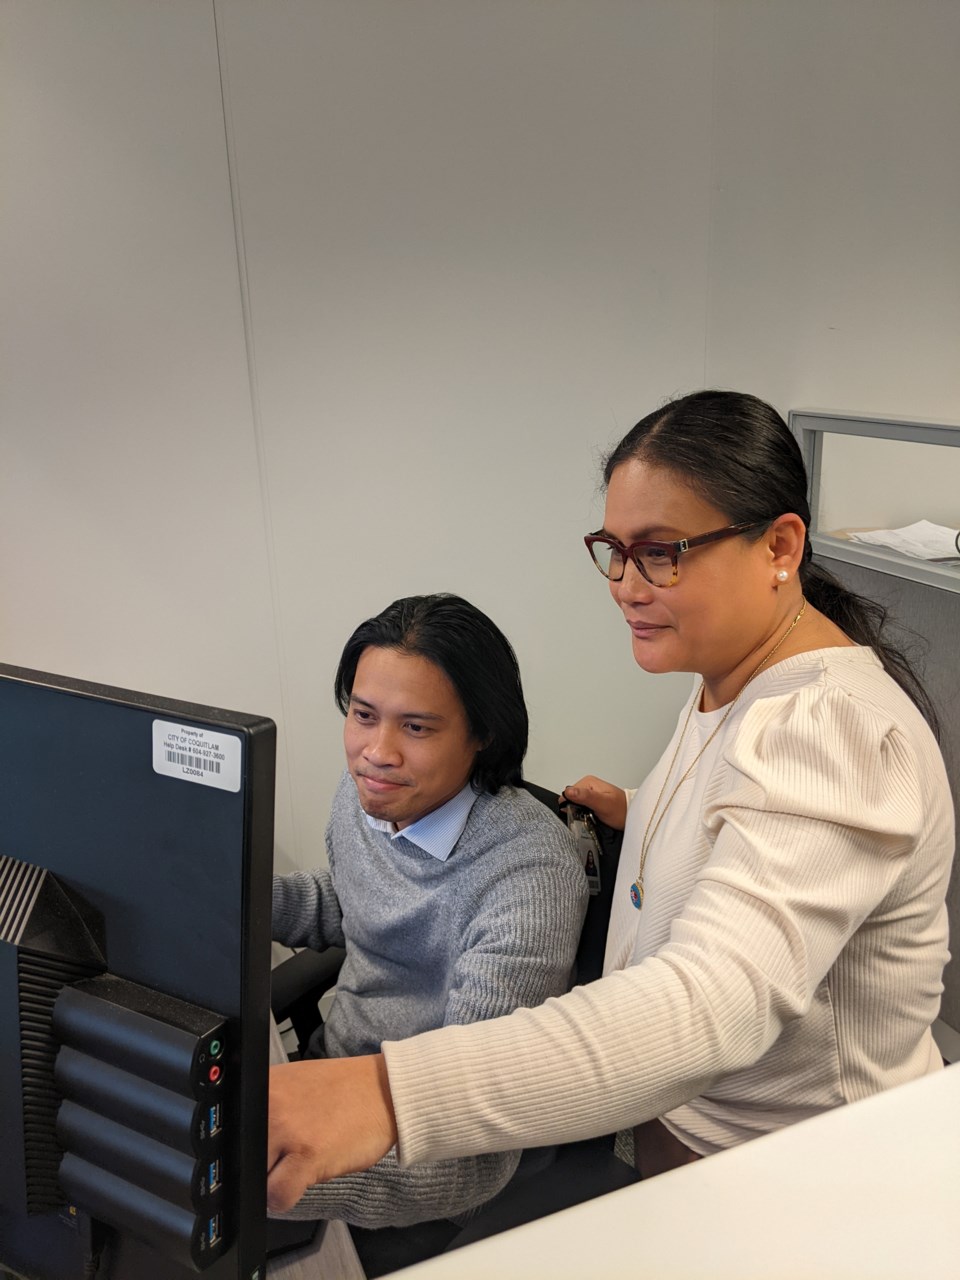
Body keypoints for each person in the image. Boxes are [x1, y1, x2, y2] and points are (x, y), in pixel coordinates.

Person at [266, 391, 954, 1212]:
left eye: (662, 552)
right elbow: (758, 807)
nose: (627, 584)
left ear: (779, 545)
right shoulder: (732, 679)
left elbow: (712, 1005)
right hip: (689, 1144)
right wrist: (647, 814)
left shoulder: (828, 727)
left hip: (802, 1186)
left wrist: (387, 1097)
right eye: (614, 551)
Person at [269, 592, 588, 1226]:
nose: (377, 752)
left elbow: (472, 1145)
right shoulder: (370, 792)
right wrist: (234, 898)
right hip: (333, 1076)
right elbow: (354, 905)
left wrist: (280, 1186)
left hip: (412, 1159)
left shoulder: (528, 876)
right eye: (363, 714)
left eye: (416, 727)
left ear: (482, 734)